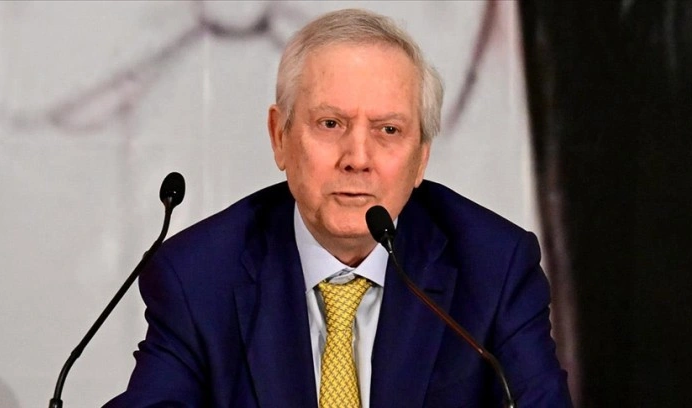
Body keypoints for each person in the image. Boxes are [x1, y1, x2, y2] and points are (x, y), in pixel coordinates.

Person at [105, 8, 572, 408]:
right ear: (280, 137)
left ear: (421, 158)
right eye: (330, 124)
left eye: (388, 130)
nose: (357, 158)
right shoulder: (198, 275)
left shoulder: (494, 267)